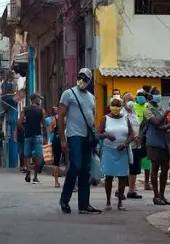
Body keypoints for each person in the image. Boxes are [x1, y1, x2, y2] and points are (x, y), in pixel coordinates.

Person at [58, 68, 102, 215]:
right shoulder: (69, 94)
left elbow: (92, 118)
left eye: (85, 78)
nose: (82, 80)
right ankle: (65, 199)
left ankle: (84, 204)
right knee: (75, 166)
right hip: (74, 135)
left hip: (87, 137)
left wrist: (94, 138)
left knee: (85, 170)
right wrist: (63, 139)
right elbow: (60, 116)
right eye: (80, 77)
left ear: (90, 81)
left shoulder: (91, 97)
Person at [98, 95, 138, 211]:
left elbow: (131, 134)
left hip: (122, 151)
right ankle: (108, 201)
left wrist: (125, 144)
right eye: (113, 105)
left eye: (118, 105)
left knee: (122, 177)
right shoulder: (105, 118)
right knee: (109, 177)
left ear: (121, 106)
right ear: (110, 106)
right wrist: (106, 135)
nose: (115, 107)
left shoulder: (125, 118)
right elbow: (98, 133)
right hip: (109, 151)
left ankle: (120, 201)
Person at [144, 90, 170, 205]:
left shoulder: (159, 107)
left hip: (164, 142)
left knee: (165, 169)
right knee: (155, 168)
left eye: (158, 93)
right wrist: (165, 114)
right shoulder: (147, 109)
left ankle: (162, 195)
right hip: (154, 143)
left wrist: (166, 125)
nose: (158, 96)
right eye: (155, 94)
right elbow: (156, 122)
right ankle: (156, 196)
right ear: (150, 96)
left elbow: (162, 124)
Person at [19, 94, 46, 184]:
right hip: (38, 135)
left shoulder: (25, 110)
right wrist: (45, 137)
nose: (40, 101)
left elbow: (19, 123)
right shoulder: (41, 110)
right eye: (39, 99)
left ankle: (28, 170)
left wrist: (24, 129)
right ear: (36, 100)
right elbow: (44, 125)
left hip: (28, 135)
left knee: (27, 155)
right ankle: (35, 177)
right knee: (38, 156)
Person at [47, 106, 62, 188]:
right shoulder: (67, 118)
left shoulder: (53, 119)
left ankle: (56, 182)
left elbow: (50, 130)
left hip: (57, 139)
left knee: (56, 161)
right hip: (67, 139)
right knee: (69, 161)